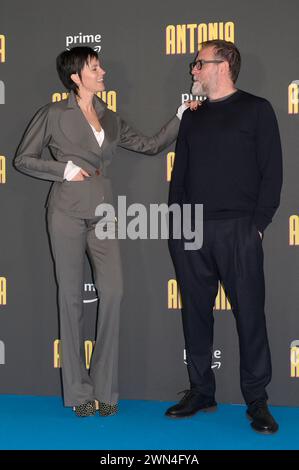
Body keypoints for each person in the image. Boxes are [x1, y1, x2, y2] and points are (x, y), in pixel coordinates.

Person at [14, 46, 194, 418]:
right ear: (76, 77)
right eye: (94, 68)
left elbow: (148, 145)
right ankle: (80, 394)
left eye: (100, 67)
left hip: (104, 211)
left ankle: (105, 388)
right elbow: (22, 159)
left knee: (113, 292)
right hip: (65, 209)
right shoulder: (52, 114)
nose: (102, 72)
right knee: (70, 299)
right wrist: (61, 170)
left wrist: (180, 116)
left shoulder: (110, 118)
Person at [167, 40, 283, 434]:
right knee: (194, 314)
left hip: (239, 229)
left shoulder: (257, 109)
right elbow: (179, 176)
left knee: (250, 315)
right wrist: (176, 227)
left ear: (223, 65)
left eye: (199, 63)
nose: (193, 70)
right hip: (192, 229)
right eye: (194, 64)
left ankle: (258, 400)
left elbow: (273, 174)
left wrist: (258, 224)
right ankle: (201, 390)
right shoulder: (192, 117)